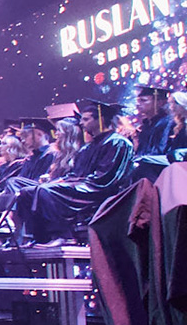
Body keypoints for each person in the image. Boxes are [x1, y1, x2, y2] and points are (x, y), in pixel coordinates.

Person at [19, 98, 136, 244]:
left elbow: (106, 177)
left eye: (86, 119)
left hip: (99, 188)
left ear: (100, 119)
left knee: (46, 191)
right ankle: (38, 238)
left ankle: (64, 236)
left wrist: (69, 182)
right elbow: (75, 174)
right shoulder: (87, 147)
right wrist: (61, 180)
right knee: (27, 192)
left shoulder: (117, 142)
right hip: (82, 184)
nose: (81, 123)